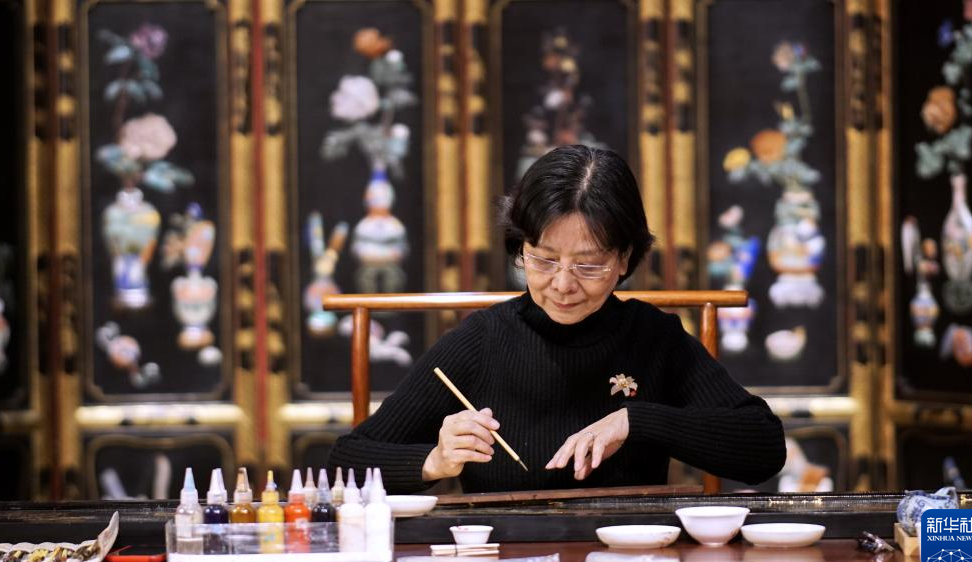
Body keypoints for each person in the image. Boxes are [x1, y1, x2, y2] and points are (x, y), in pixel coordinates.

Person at [329, 145, 785, 493]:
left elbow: (764, 449)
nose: (563, 284)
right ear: (520, 247)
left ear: (624, 259)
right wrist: (434, 461)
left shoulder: (652, 337)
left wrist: (637, 421)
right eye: (544, 260)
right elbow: (344, 465)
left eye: (588, 265)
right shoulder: (480, 342)